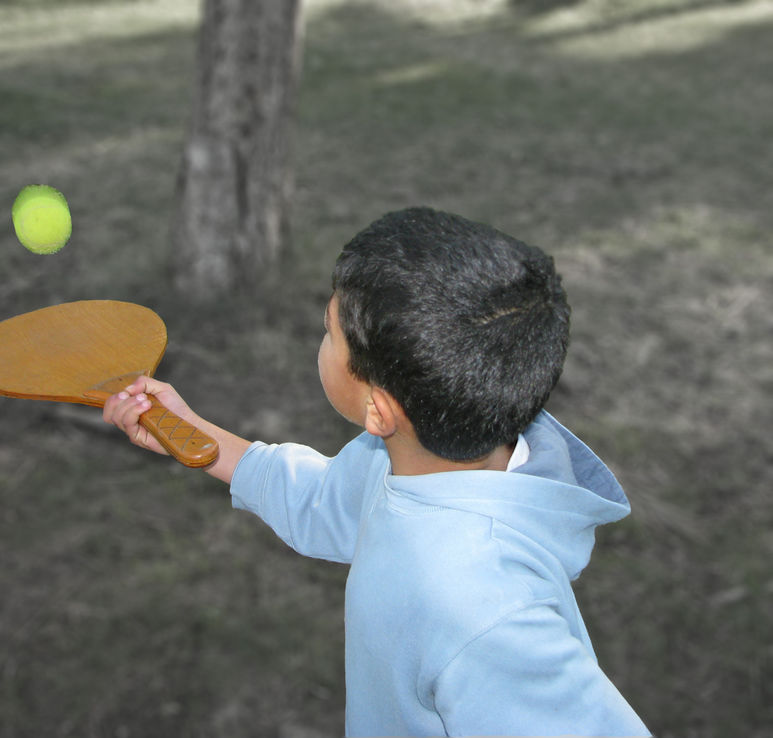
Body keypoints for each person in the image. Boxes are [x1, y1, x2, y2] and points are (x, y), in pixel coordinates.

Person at [103, 207, 650, 737]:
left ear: (378, 409)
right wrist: (192, 434)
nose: (319, 338)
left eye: (328, 331)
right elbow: (324, 501)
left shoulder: (483, 612)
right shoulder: (421, 459)